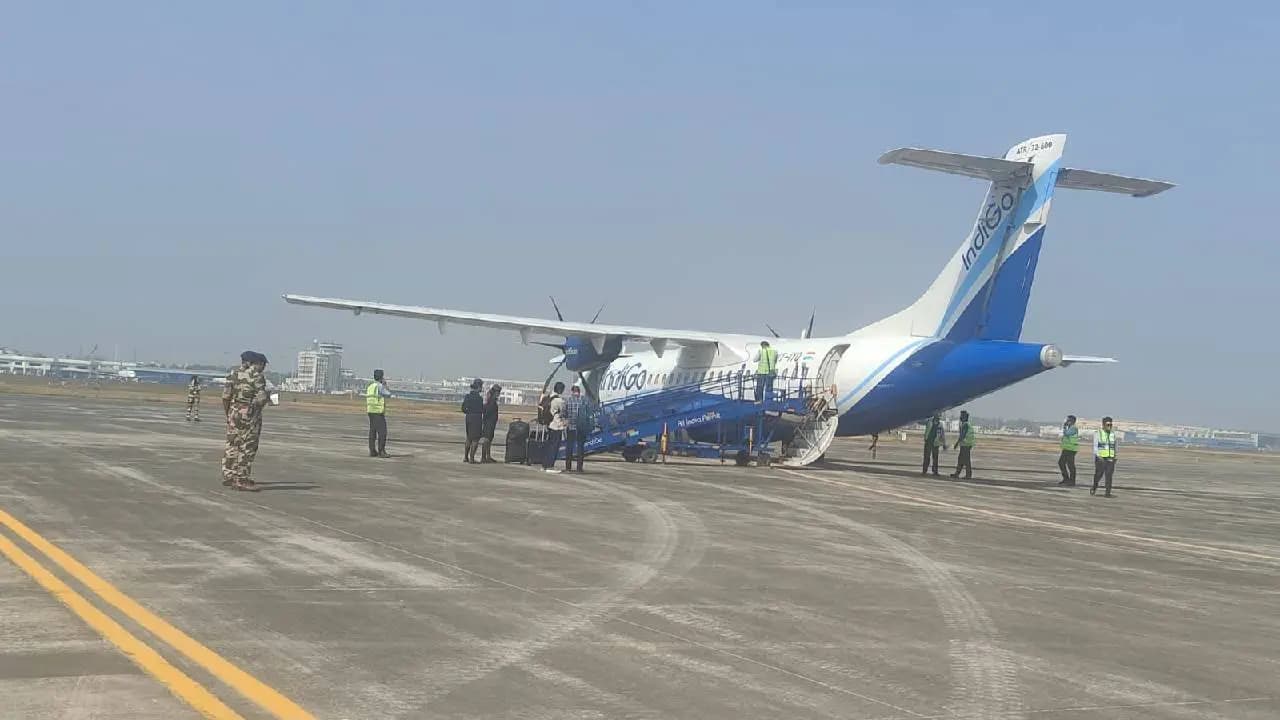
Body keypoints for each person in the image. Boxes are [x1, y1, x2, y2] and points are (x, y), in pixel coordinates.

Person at [221, 351, 270, 491]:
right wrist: (266, 398)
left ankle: (229, 475)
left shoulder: (233, 374)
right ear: (258, 363)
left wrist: (229, 414)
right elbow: (260, 399)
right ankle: (241, 479)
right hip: (249, 414)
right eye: (263, 365)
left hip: (234, 412)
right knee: (247, 446)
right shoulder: (257, 376)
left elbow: (225, 397)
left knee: (232, 443)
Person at [563, 385, 590, 472]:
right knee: (580, 448)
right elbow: (588, 413)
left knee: (569, 447)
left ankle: (568, 467)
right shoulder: (584, 400)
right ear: (579, 391)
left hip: (571, 427)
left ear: (572, 391)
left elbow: (564, 413)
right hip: (581, 428)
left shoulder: (568, 400)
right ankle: (579, 467)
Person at [365, 369, 392, 458]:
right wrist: (385, 384)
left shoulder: (370, 386)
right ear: (381, 377)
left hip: (370, 411)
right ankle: (381, 451)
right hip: (378, 412)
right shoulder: (379, 386)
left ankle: (372, 450)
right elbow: (388, 394)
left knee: (372, 431)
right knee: (382, 432)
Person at [542, 381, 567, 474]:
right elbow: (563, 412)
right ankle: (550, 465)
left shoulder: (549, 397)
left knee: (549, 445)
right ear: (560, 390)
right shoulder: (559, 400)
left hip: (549, 424)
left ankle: (545, 465)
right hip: (556, 425)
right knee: (554, 447)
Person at [1091, 416, 1118, 497]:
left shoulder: (1113, 434)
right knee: (1098, 474)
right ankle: (1094, 487)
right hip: (1100, 458)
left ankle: (1107, 492)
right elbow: (1095, 446)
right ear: (1103, 425)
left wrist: (1115, 456)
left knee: (1109, 475)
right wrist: (1098, 455)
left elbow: (1115, 446)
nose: (1109, 426)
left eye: (1110, 425)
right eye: (1107, 424)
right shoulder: (1098, 433)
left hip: (1110, 458)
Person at [461, 378, 484, 463]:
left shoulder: (468, 396)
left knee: (468, 438)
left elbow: (463, 408)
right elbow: (482, 409)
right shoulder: (479, 398)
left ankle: (466, 457)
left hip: (469, 417)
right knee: (475, 439)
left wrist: (468, 412)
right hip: (477, 418)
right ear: (478, 387)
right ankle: (472, 458)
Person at [480, 384, 501, 463]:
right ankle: (483, 457)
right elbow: (487, 412)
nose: (498, 394)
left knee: (489, 440)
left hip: (491, 423)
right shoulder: (491, 401)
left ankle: (488, 456)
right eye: (498, 392)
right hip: (489, 423)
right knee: (487, 440)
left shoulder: (491, 400)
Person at [950, 410, 975, 479]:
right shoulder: (966, 424)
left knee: (966, 460)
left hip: (966, 444)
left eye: (961, 416)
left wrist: (957, 443)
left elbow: (962, 435)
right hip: (966, 444)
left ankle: (968, 475)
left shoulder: (965, 425)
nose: (960, 417)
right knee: (960, 459)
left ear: (964, 417)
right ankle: (957, 473)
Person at [1057, 414, 1079, 486]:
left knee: (1070, 465)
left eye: (1067, 420)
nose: (1066, 421)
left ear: (1071, 421)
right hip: (1066, 448)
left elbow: (1067, 433)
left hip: (1072, 449)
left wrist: (1064, 427)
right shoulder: (1069, 427)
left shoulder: (1073, 428)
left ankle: (1072, 481)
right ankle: (1066, 478)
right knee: (1061, 463)